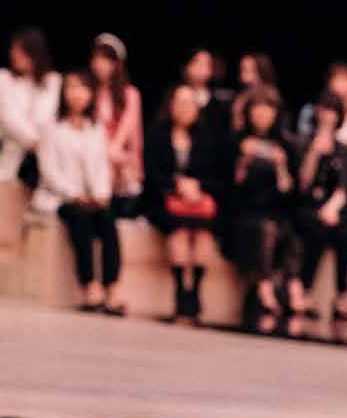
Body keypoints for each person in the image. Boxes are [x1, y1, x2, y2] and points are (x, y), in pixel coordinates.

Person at [36, 69, 123, 313]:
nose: (77, 94)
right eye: (72, 88)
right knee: (80, 219)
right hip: (61, 197)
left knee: (108, 221)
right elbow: (49, 170)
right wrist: (75, 194)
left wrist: (101, 194)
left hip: (92, 197)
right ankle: (90, 288)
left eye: (83, 88)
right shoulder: (52, 127)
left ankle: (112, 289)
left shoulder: (96, 128)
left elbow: (101, 167)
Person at [144, 83, 225, 323]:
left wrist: (197, 187)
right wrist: (176, 185)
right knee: (179, 232)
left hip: (199, 202)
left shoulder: (207, 139)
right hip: (165, 200)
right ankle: (180, 290)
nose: (184, 108)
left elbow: (219, 177)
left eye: (189, 103)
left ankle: (195, 292)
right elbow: (151, 174)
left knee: (202, 235)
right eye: (179, 102)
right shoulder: (157, 135)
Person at [227, 87, 304, 320]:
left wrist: (280, 166)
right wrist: (244, 159)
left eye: (268, 110)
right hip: (244, 212)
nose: (262, 115)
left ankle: (294, 288)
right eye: (258, 109)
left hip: (277, 210)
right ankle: (265, 288)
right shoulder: (237, 140)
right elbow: (232, 185)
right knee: (265, 230)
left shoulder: (285, 145)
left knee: (292, 235)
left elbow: (289, 191)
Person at [296, 92, 347, 322]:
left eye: (332, 111)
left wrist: (331, 209)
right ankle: (305, 290)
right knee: (316, 231)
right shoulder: (303, 143)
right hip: (306, 207)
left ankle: (342, 295)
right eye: (324, 110)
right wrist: (314, 153)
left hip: (332, 208)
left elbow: (343, 188)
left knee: (343, 236)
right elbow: (303, 183)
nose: (327, 116)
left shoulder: (345, 152)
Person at [0, 28, 60, 188]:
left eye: (20, 50)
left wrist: (43, 149)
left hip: (39, 171)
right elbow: (9, 119)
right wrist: (38, 144)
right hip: (2, 166)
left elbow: (47, 117)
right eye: (13, 49)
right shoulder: (1, 78)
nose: (14, 54)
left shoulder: (52, 81)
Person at [89, 33, 143, 216]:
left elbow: (132, 137)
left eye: (106, 59)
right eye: (97, 58)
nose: (100, 64)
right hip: (93, 157)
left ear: (117, 64)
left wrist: (134, 168)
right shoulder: (88, 92)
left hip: (120, 161)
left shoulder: (130, 95)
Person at [180, 48, 233, 136]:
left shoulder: (219, 101)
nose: (202, 69)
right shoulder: (176, 95)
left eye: (207, 64)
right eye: (198, 63)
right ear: (186, 67)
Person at [230, 53, 283, 135]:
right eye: (242, 69)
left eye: (249, 70)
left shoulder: (270, 94)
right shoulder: (241, 95)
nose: (244, 75)